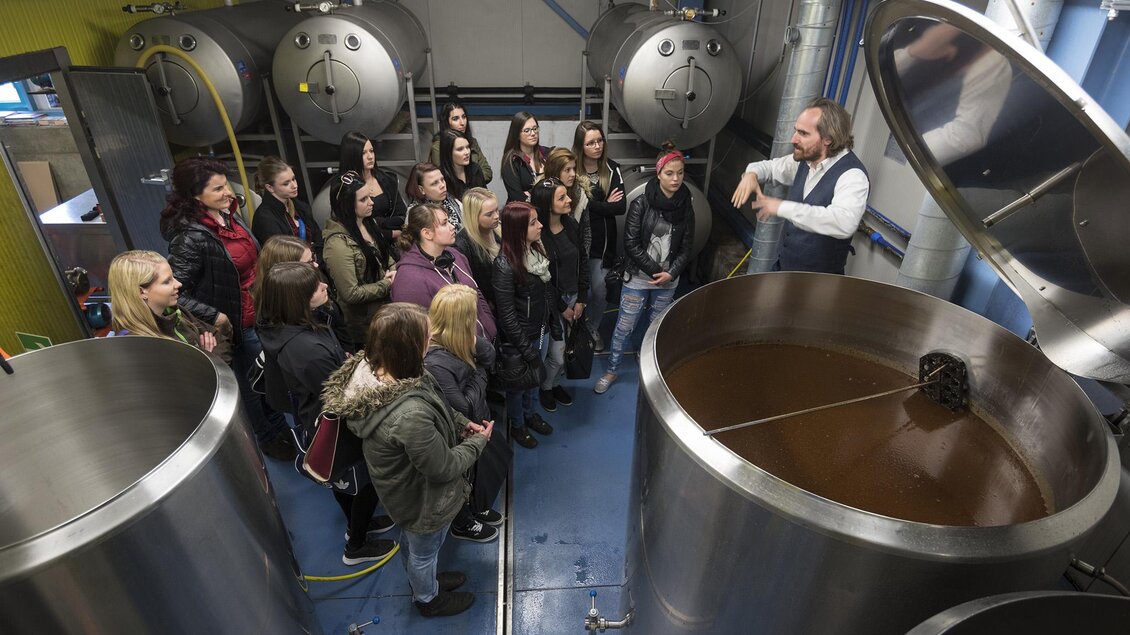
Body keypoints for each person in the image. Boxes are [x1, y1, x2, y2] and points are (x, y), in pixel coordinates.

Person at [322, 303, 492, 618]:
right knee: (423, 550)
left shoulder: (390, 369)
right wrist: (479, 441)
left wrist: (458, 422)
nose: (434, 338)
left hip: (404, 490)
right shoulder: (407, 414)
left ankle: (424, 583)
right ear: (411, 347)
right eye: (428, 336)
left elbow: (435, 400)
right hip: (421, 500)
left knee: (416, 547)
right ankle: (427, 598)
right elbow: (443, 469)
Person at [256, 261, 396, 566]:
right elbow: (343, 393)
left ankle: (354, 527)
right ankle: (356, 546)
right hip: (336, 424)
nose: (325, 288)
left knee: (342, 480)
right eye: (317, 287)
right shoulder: (306, 350)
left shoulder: (285, 328)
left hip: (315, 417)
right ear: (299, 300)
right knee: (367, 480)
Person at [160, 156, 294, 460]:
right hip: (237, 323)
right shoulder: (191, 238)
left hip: (258, 312)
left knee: (267, 376)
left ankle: (278, 427)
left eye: (226, 186)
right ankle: (268, 438)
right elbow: (175, 292)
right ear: (196, 196)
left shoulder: (228, 216)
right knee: (251, 385)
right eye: (218, 189)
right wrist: (215, 315)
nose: (228, 193)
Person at [595, 143, 694, 395]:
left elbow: (687, 246)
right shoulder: (641, 203)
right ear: (658, 173)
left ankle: (647, 362)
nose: (675, 179)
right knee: (624, 325)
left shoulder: (686, 205)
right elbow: (630, 242)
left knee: (656, 326)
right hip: (639, 277)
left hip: (669, 278)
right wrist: (654, 272)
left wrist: (671, 273)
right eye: (670, 173)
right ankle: (612, 369)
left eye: (680, 173)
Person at [730, 97, 870, 274]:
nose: (793, 139)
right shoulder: (805, 160)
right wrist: (751, 173)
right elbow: (771, 167)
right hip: (785, 269)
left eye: (803, 134)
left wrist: (781, 207)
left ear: (828, 139)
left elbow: (844, 222)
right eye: (796, 131)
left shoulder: (852, 176)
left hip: (818, 283)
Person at [425, 284, 503, 543]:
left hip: (477, 421)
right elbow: (464, 406)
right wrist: (480, 373)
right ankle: (463, 522)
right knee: (459, 480)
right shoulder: (435, 361)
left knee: (476, 475)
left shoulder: (460, 342)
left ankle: (475, 505)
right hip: (459, 431)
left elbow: (489, 355)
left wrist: (475, 351)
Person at [491, 202, 558, 448]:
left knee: (534, 380)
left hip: (541, 331)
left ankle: (531, 415)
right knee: (518, 388)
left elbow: (546, 292)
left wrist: (554, 324)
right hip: (520, 340)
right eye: (533, 223)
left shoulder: (537, 252)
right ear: (518, 228)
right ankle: (518, 425)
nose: (540, 226)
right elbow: (507, 316)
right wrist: (528, 351)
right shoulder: (504, 265)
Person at [391, 203, 497, 342]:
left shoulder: (455, 255)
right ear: (427, 233)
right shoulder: (409, 280)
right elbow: (422, 332)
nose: (452, 226)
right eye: (444, 223)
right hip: (457, 355)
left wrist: (489, 325)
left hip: (486, 344)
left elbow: (476, 291)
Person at [530, 177, 588, 412]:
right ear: (546, 203)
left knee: (566, 351)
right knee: (556, 353)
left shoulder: (571, 225)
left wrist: (582, 298)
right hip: (553, 305)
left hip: (575, 299)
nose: (569, 200)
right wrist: (562, 307)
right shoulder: (538, 236)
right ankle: (546, 388)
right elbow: (543, 280)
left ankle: (554, 384)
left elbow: (582, 261)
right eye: (562, 197)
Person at [107, 250, 229, 360]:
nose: (178, 284)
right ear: (141, 292)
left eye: (173, 277)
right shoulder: (138, 345)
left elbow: (221, 339)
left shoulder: (174, 311)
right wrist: (208, 359)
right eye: (167, 281)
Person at [322, 171, 397, 349]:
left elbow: (387, 258)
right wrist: (387, 284)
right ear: (347, 205)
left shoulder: (369, 223)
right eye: (363, 200)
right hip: (364, 328)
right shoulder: (337, 245)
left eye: (369, 197)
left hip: (385, 313)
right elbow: (351, 293)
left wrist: (394, 270)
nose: (371, 203)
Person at [571, 121, 625, 350]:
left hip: (602, 244)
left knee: (600, 290)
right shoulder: (572, 169)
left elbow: (620, 207)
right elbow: (573, 205)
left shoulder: (612, 168)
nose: (597, 146)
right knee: (575, 292)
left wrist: (591, 204)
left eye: (600, 140)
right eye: (591, 142)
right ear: (580, 146)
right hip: (576, 242)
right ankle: (574, 331)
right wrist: (602, 203)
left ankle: (592, 327)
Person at [339, 131, 407, 249]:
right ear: (352, 155)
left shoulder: (387, 179)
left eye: (371, 151)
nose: (370, 157)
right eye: (363, 153)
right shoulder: (344, 187)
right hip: (364, 246)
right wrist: (391, 233)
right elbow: (353, 227)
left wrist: (377, 222)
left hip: (395, 245)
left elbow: (402, 216)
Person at [251, 156, 322, 252]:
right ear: (270, 188)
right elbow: (282, 255)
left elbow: (319, 239)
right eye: (286, 183)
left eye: (293, 179)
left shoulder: (300, 206)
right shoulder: (265, 219)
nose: (294, 185)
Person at [453, 187, 501, 309]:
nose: (496, 216)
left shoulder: (500, 229)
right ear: (474, 216)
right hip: (489, 306)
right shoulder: (462, 245)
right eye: (489, 214)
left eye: (496, 210)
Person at [429, 100, 493, 183]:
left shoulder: (472, 142)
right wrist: (471, 178)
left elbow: (488, 173)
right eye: (455, 119)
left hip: (477, 192)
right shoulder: (438, 146)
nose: (462, 123)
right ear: (446, 122)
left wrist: (469, 180)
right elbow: (444, 178)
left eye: (464, 117)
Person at [500, 111, 550, 203]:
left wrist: (531, 192)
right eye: (527, 131)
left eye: (535, 129)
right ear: (517, 134)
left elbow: (556, 184)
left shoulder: (547, 153)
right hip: (523, 212)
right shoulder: (511, 160)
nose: (533, 133)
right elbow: (517, 196)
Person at [405, 161, 464, 231]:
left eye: (442, 179)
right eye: (434, 183)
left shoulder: (454, 202)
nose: (442, 185)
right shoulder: (415, 213)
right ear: (421, 189)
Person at [438, 129, 487, 201]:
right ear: (448, 153)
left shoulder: (475, 169)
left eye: (467, 147)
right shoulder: (441, 177)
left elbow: (485, 198)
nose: (467, 152)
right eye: (460, 149)